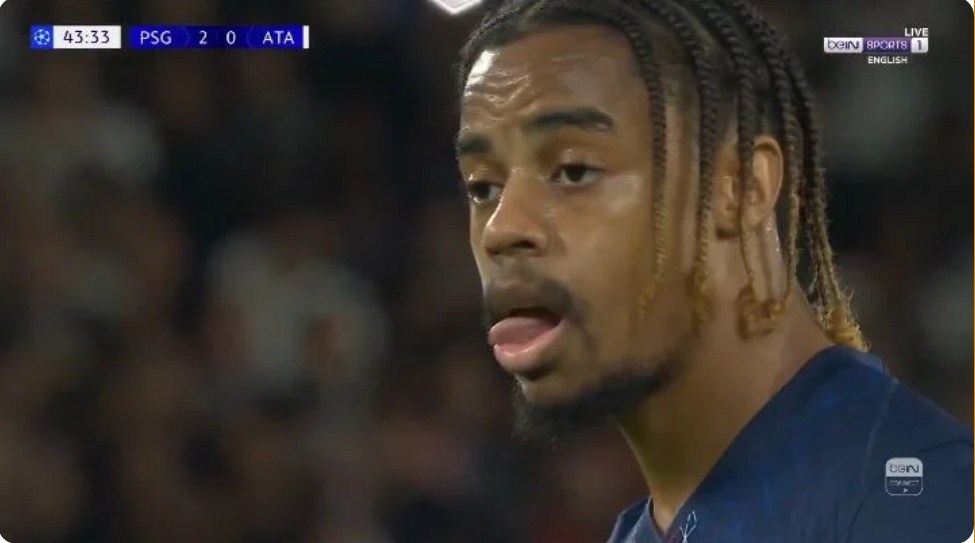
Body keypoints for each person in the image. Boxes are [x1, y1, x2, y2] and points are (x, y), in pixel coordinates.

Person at [453, 0, 973, 541]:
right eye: (482, 187)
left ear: (741, 188)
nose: (500, 229)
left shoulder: (909, 495)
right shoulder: (651, 528)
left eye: (574, 170)